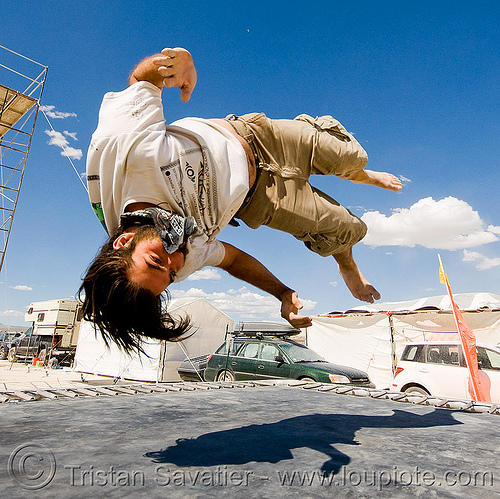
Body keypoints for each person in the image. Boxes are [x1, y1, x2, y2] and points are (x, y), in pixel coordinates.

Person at [80, 47, 402, 353]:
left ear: (124, 241)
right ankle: (346, 263)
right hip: (259, 198)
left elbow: (141, 81)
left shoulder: (124, 157)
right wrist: (282, 292)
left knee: (351, 156)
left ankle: (359, 173)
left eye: (155, 260)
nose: (175, 258)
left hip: (259, 138)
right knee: (346, 228)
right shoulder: (182, 259)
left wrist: (172, 64)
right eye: (172, 274)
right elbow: (233, 261)